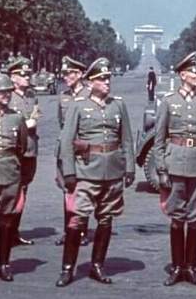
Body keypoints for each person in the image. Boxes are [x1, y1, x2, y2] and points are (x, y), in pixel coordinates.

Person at [55, 57, 135, 287]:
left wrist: (129, 168)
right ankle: (68, 268)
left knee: (106, 219)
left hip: (112, 171)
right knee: (77, 220)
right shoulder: (78, 106)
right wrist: (69, 173)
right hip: (87, 171)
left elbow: (126, 139)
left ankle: (97, 265)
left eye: (108, 78)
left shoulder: (118, 105)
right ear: (90, 82)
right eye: (101, 79)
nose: (107, 82)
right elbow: (68, 141)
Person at [153, 51, 196, 286]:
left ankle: (191, 267)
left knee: (195, 218)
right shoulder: (169, 102)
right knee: (176, 218)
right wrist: (161, 169)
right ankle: (177, 266)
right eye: (193, 71)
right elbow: (159, 139)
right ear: (182, 75)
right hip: (175, 164)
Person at [0, 74, 28, 282]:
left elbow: (22, 147)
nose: (7, 95)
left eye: (9, 91)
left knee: (6, 220)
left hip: (9, 172)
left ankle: (4, 264)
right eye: (3, 91)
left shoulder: (16, 118)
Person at [54, 56, 90, 247]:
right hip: (65, 150)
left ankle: (82, 230)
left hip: (83, 150)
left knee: (83, 191)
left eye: (70, 73)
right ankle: (69, 230)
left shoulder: (90, 94)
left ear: (80, 74)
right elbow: (62, 123)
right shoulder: (63, 96)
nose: (66, 76)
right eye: (65, 73)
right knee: (67, 190)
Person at [7, 56, 38, 246]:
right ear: (13, 77)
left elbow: (36, 115)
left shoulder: (31, 96)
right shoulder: (7, 97)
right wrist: (26, 125)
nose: (27, 77)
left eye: (28, 74)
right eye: (23, 74)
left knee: (23, 191)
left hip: (30, 151)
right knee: (11, 192)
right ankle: (7, 232)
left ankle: (14, 232)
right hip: (15, 153)